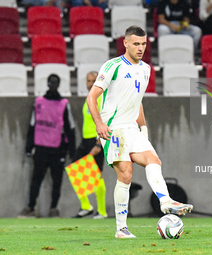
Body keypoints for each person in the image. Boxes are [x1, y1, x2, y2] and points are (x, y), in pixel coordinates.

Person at [87, 25, 193, 238]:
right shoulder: (112, 66)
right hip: (114, 128)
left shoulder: (145, 69)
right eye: (136, 43)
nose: (140, 48)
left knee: (154, 160)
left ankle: (165, 202)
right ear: (125, 43)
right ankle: (121, 229)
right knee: (126, 175)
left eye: (143, 44)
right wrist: (99, 124)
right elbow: (92, 97)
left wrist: (143, 128)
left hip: (132, 128)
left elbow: (138, 101)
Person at [19, 74, 76, 218]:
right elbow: (32, 125)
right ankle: (31, 207)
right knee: (36, 180)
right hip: (41, 148)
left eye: (55, 82)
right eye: (51, 82)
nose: (53, 85)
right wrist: (28, 147)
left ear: (58, 84)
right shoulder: (38, 102)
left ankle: (54, 209)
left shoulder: (64, 104)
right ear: (47, 83)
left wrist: (71, 150)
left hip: (57, 149)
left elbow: (70, 128)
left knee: (57, 181)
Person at [72, 71, 107, 219]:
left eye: (94, 80)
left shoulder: (101, 98)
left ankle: (102, 211)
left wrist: (99, 143)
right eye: (88, 80)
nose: (91, 83)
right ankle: (86, 206)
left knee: (96, 174)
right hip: (86, 140)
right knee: (76, 168)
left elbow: (105, 119)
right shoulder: (90, 98)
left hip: (96, 139)